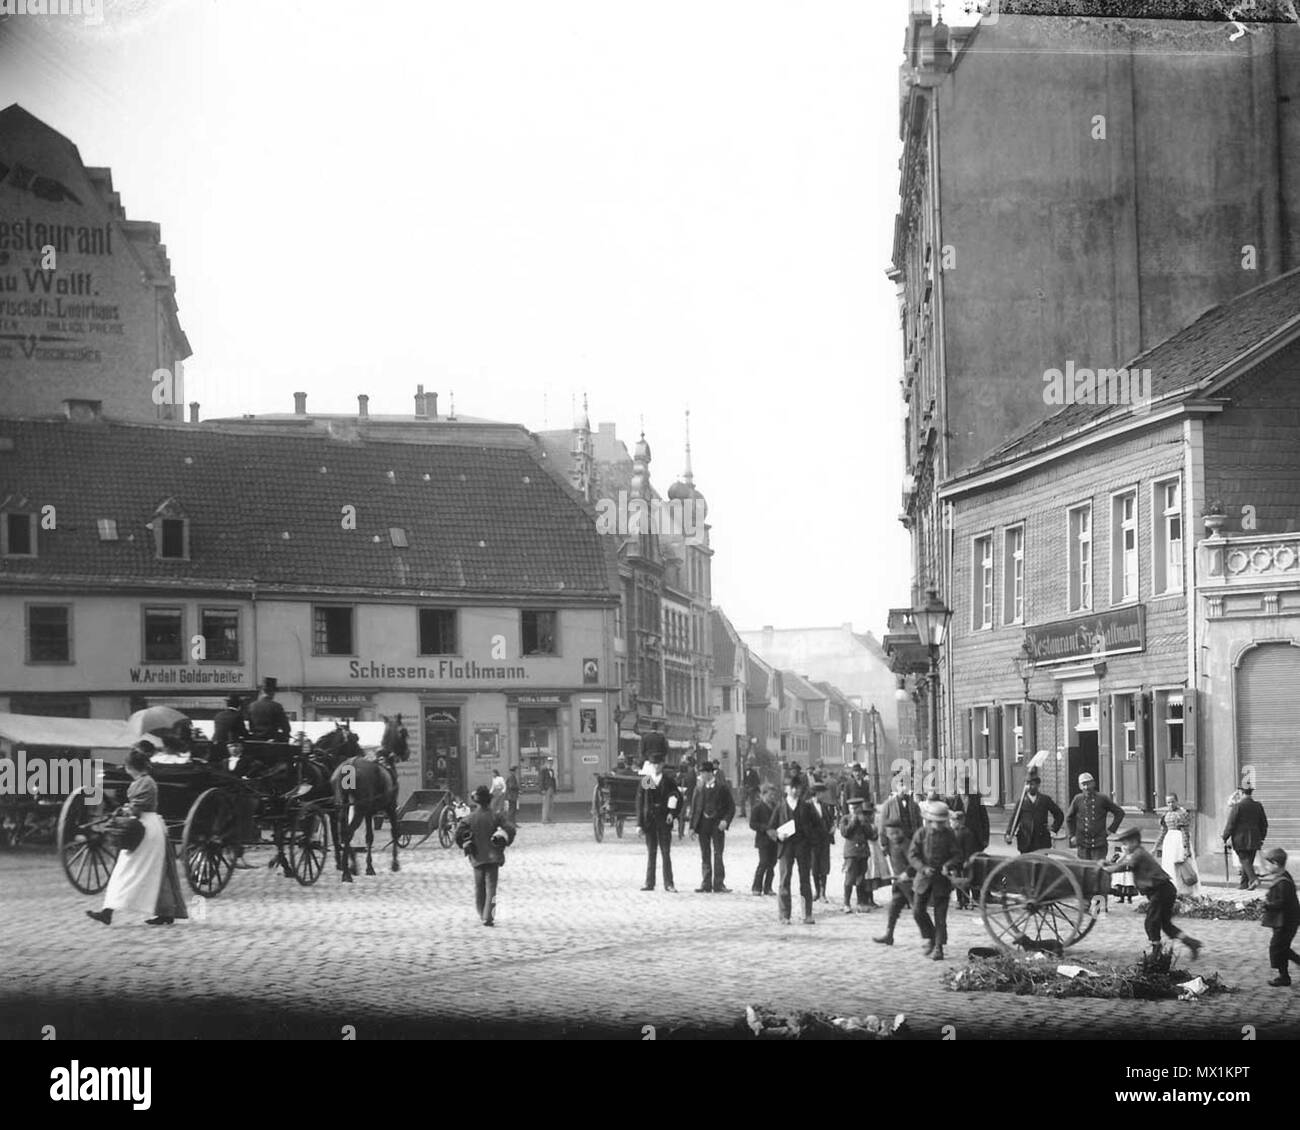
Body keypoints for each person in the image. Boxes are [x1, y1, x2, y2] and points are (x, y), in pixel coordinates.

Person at [86, 746, 189, 927]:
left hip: (146, 829)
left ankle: (111, 911)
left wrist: (126, 809)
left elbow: (138, 807)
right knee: (145, 870)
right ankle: (109, 911)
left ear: (129, 767)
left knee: (134, 870)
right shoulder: (144, 781)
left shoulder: (146, 782)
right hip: (145, 827)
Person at [1103, 826, 1202, 959]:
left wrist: (1108, 870)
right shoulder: (1137, 853)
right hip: (1165, 890)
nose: (1124, 846)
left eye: (1125, 843)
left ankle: (1156, 951)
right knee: (1166, 925)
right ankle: (1192, 943)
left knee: (1151, 922)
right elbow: (1125, 862)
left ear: (1134, 842)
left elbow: (1126, 866)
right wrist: (1110, 863)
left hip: (1160, 891)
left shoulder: (1139, 854)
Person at [454, 784, 517, 927]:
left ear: (477, 801)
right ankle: (488, 916)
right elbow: (510, 829)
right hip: (493, 856)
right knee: (491, 888)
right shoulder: (496, 816)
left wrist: (465, 844)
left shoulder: (469, 818)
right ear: (489, 800)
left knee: (479, 887)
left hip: (476, 857)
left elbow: (458, 834)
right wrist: (504, 839)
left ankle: (481, 912)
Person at [907, 800, 963, 961]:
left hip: (941, 880)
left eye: (942, 822)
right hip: (923, 878)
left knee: (940, 916)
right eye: (936, 822)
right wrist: (923, 868)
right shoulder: (921, 834)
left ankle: (938, 947)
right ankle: (930, 937)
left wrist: (948, 865)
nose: (939, 825)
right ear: (930, 821)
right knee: (917, 911)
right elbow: (912, 855)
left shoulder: (949, 834)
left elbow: (958, 855)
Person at [1066, 772, 1125, 904]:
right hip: (1082, 844)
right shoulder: (1077, 799)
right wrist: (1072, 835)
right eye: (1083, 785)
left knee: (1099, 874)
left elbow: (1119, 813)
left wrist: (1110, 830)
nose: (1086, 787)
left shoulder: (1102, 798)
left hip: (1099, 844)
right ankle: (1086, 903)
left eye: (1088, 784)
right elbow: (1069, 818)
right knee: (1084, 874)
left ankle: (1100, 905)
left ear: (1093, 783)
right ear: (1080, 786)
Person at [768, 776, 819, 925]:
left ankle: (807, 914)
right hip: (786, 847)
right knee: (784, 880)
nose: (795, 790)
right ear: (785, 789)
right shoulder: (780, 806)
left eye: (798, 787)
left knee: (805, 880)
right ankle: (784, 915)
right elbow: (770, 828)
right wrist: (777, 835)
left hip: (803, 847)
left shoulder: (807, 806)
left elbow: (818, 825)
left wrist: (811, 838)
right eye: (792, 787)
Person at [873, 804, 917, 947]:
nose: (894, 836)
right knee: (893, 909)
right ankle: (889, 935)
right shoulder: (891, 844)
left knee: (919, 913)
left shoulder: (907, 845)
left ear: (902, 832)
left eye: (896, 833)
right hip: (900, 884)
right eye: (890, 834)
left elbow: (915, 864)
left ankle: (932, 939)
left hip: (912, 885)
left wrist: (907, 873)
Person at [689, 760, 735, 893]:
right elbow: (694, 808)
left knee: (718, 853)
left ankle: (719, 883)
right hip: (703, 824)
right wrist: (692, 827)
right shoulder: (698, 787)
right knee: (705, 853)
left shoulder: (722, 787)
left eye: (703, 773)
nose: (702, 775)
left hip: (717, 824)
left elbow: (730, 807)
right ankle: (706, 883)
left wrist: (725, 821)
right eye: (701, 773)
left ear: (710, 773)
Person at [636, 750, 678, 892]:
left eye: (658, 764)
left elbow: (676, 797)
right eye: (653, 764)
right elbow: (640, 803)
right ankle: (649, 883)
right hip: (650, 821)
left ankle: (669, 883)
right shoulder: (647, 780)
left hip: (664, 821)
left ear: (662, 765)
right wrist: (639, 824)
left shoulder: (668, 781)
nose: (655, 767)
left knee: (665, 852)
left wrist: (672, 813)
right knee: (651, 852)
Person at [1259, 848, 1300, 987]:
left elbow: (1281, 902)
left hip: (1286, 922)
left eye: (1269, 864)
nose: (1267, 867)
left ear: (1276, 864)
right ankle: (1285, 975)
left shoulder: (1283, 882)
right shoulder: (1283, 877)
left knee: (1277, 947)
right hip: (1283, 921)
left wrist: (1267, 905)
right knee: (1282, 947)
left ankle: (1284, 977)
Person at [1222, 783, 1268, 890]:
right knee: (1248, 861)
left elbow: (1231, 824)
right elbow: (1264, 824)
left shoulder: (1238, 806)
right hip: (1255, 839)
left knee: (1244, 860)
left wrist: (1225, 836)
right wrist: (1262, 838)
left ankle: (1253, 879)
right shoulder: (1258, 806)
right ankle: (1244, 884)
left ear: (1242, 793)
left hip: (1240, 839)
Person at [1005, 768, 1063, 853]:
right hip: (1025, 840)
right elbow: (1014, 819)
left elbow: (1059, 814)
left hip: (1041, 841)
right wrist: (1009, 834)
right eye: (1028, 784)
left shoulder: (1045, 800)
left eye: (1032, 784)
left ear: (1038, 785)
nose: (1030, 787)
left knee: (1041, 864)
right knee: (1026, 865)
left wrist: (1053, 829)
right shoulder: (1021, 801)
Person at [1157, 792, 1201, 898]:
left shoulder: (1182, 814)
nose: (1171, 804)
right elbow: (1163, 832)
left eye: (1172, 802)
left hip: (1179, 840)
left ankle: (1185, 890)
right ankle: (1172, 889)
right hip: (1169, 841)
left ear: (1177, 801)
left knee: (1182, 864)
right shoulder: (1166, 815)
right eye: (1168, 802)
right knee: (1169, 865)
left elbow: (1185, 832)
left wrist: (1186, 849)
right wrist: (1156, 846)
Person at [838, 796, 876, 913]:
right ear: (849, 808)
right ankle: (846, 903)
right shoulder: (845, 819)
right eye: (852, 808)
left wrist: (864, 823)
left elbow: (870, 835)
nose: (854, 811)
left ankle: (860, 903)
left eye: (856, 808)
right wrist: (854, 820)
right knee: (849, 878)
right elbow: (845, 832)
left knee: (861, 879)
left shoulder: (864, 820)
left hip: (863, 852)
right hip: (851, 852)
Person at [808, 782, 836, 903]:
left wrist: (832, 828)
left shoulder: (825, 806)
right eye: (822, 793)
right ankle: (817, 891)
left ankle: (823, 893)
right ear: (817, 793)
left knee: (824, 867)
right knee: (814, 867)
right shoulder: (807, 806)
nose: (824, 795)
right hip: (813, 842)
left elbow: (829, 820)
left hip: (824, 840)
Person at [749, 783, 778, 896]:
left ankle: (768, 887)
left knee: (772, 863)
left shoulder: (776, 806)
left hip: (775, 840)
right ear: (763, 795)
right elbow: (752, 824)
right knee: (763, 862)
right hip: (763, 840)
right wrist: (765, 829)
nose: (772, 797)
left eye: (773, 795)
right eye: (770, 795)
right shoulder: (757, 808)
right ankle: (756, 886)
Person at [879, 776, 922, 845]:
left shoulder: (915, 805)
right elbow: (882, 826)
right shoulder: (888, 805)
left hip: (912, 843)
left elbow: (920, 825)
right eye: (901, 785)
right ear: (896, 786)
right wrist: (884, 844)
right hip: (895, 844)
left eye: (907, 785)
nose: (904, 788)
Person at [950, 808, 978, 910]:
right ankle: (959, 900)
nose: (952, 822)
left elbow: (969, 849)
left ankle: (966, 900)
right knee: (957, 881)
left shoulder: (967, 833)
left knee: (965, 882)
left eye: (953, 821)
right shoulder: (953, 832)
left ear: (960, 821)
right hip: (956, 861)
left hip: (964, 861)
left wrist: (967, 860)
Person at [247, 676, 291, 741]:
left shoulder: (252, 706)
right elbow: (286, 728)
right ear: (273, 692)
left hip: (255, 740)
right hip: (272, 741)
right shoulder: (277, 706)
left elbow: (250, 726)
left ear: (262, 691)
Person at [677, 754, 698, 841]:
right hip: (688, 795)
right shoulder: (691, 773)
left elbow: (689, 785)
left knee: (683, 815)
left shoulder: (690, 774)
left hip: (687, 796)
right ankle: (683, 832)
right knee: (685, 815)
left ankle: (683, 832)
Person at [539, 758, 557, 824]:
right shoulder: (543, 770)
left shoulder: (552, 770)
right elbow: (541, 780)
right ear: (546, 762)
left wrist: (554, 789)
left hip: (551, 788)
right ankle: (544, 819)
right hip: (546, 789)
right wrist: (542, 789)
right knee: (546, 805)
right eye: (549, 761)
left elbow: (553, 780)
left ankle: (549, 818)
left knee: (551, 805)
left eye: (551, 761)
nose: (550, 763)